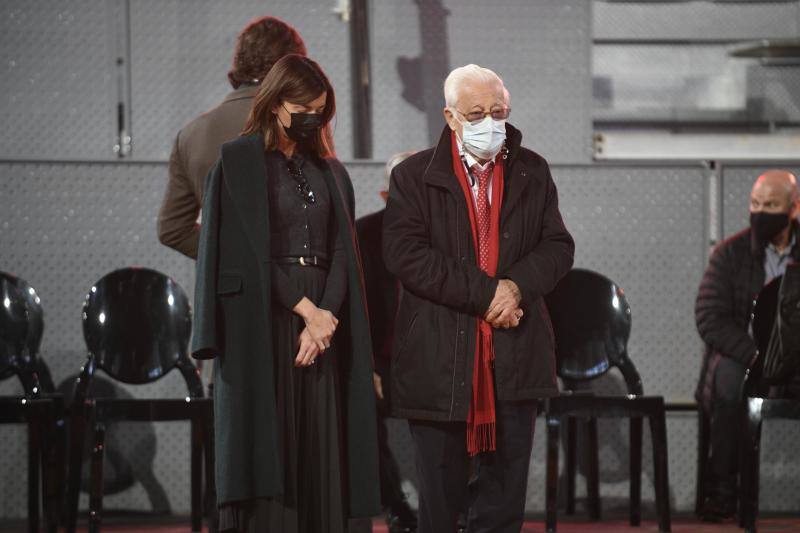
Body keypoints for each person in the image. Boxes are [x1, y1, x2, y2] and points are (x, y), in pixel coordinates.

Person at [191, 54, 380, 533]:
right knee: (268, 445)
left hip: (324, 325)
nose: (312, 118)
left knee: (320, 443)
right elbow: (246, 251)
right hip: (264, 318)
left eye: (320, 110)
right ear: (275, 104)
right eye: (302, 109)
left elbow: (343, 250)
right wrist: (306, 311)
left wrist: (325, 315)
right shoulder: (237, 163)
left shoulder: (331, 171)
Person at [382, 64, 575, 533]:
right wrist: (490, 294)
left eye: (498, 112)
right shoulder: (413, 176)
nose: (490, 123)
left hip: (515, 355)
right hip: (438, 359)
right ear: (450, 118)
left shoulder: (532, 170)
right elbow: (406, 255)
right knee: (440, 504)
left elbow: (557, 247)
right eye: (476, 114)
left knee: (502, 504)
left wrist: (515, 288)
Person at [695, 169, 800, 521]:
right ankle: (722, 491)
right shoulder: (730, 253)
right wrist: (755, 356)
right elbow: (709, 316)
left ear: (794, 208)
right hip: (747, 355)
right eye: (755, 204)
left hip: (796, 358)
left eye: (771, 205)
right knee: (727, 382)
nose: (761, 212)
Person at [157, 16, 307, 259]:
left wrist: (229, 258)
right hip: (294, 277)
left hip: (222, 281)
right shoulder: (299, 126)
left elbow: (173, 230)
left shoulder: (190, 135)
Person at [356, 151, 418, 533]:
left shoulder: (450, 233)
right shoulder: (363, 234)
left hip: (434, 358)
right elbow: (355, 307)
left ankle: (458, 510)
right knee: (357, 408)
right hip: (380, 356)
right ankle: (395, 505)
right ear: (385, 195)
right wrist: (365, 365)